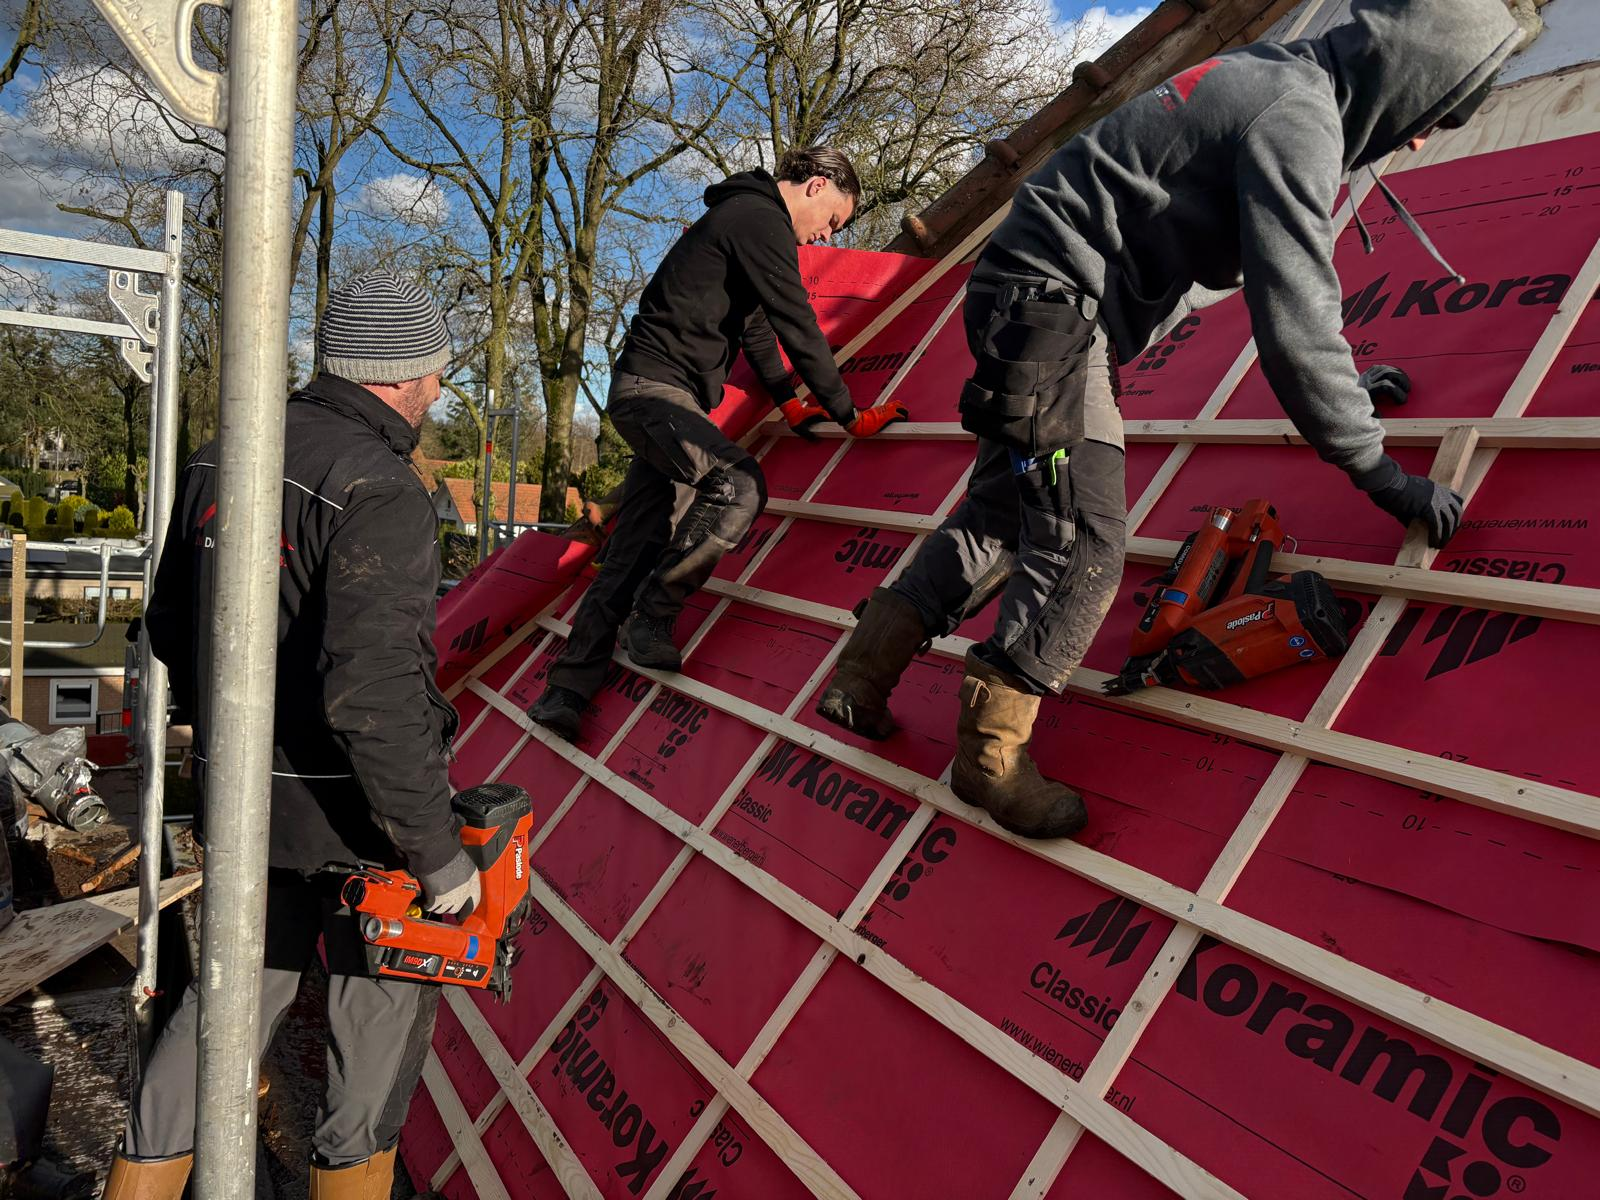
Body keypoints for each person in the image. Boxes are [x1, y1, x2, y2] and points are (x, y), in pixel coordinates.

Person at [815, 0, 1520, 841]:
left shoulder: (1275, 80)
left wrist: (1346, 386)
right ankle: (987, 760)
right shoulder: (1297, 117)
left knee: (1005, 514)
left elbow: (1263, 298)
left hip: (1031, 298)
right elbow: (1296, 311)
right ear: (1407, 79)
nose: (1416, 141)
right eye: (1434, 117)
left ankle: (860, 673)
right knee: (1085, 541)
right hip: (1051, 309)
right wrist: (1379, 470)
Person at [104, 274, 475, 1198]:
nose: (438, 391)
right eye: (433, 373)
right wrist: (436, 855)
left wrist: (232, 752)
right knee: (375, 1033)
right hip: (358, 826)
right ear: (397, 375)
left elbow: (172, 627)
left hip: (246, 804)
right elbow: (376, 697)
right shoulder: (382, 488)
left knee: (226, 1005)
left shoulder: (220, 456)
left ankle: (139, 1186)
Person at [529, 146, 907, 742]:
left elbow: (755, 327)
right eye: (833, 220)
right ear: (815, 186)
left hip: (657, 395)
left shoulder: (740, 223)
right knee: (739, 485)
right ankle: (653, 614)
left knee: (631, 548)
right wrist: (847, 410)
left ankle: (565, 693)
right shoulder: (759, 219)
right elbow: (795, 321)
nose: (823, 238)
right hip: (653, 394)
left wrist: (787, 401)